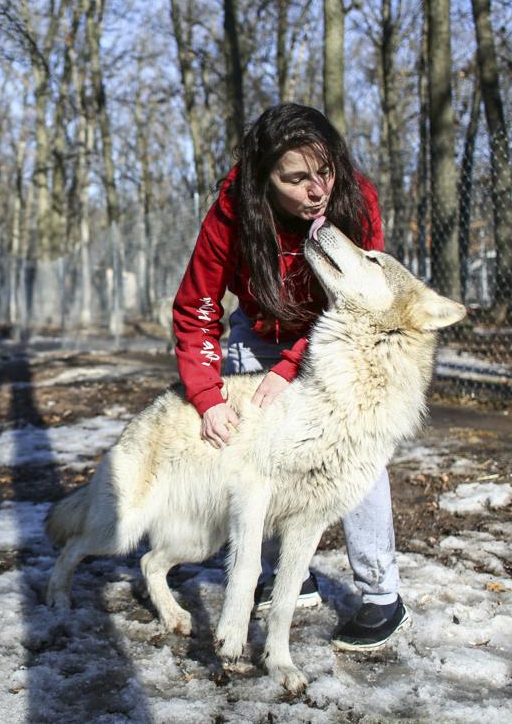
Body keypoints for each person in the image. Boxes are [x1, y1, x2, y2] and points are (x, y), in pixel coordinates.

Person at [171, 102, 409, 651]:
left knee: (354, 453)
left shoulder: (355, 199)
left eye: (324, 171)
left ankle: (382, 595)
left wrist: (291, 365)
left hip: (341, 336)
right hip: (260, 330)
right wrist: (207, 395)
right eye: (296, 178)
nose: (317, 190)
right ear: (263, 179)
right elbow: (196, 308)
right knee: (259, 450)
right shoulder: (231, 214)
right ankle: (289, 575)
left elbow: (358, 301)